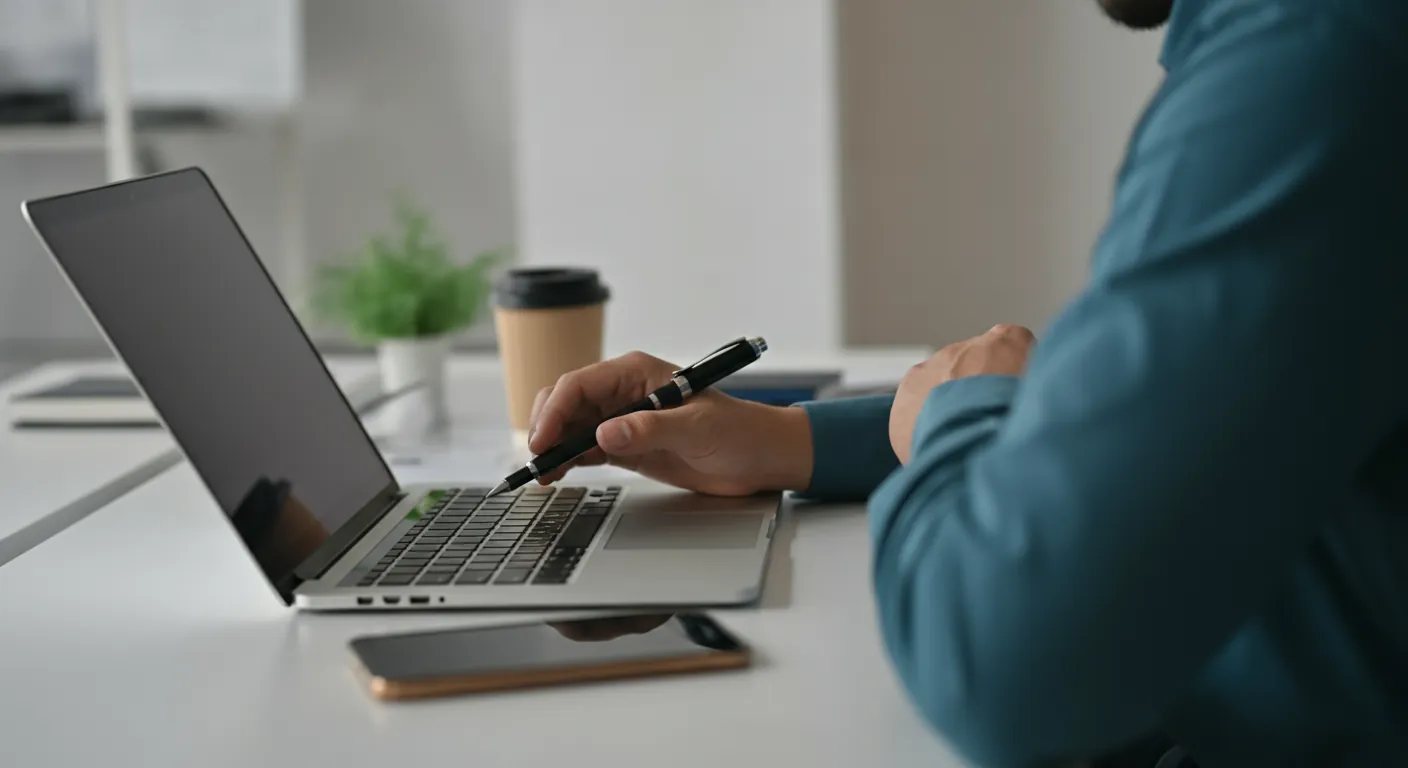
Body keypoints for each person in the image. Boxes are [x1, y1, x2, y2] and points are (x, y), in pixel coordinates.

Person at [526, 0, 1408, 765]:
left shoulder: (1315, 63)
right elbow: (1186, 435)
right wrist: (787, 443)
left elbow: (1003, 667)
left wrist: (954, 418)